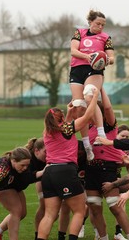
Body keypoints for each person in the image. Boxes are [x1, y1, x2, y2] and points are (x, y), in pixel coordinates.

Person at [36, 87, 99, 240]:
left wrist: (69, 112)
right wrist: (95, 96)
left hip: (49, 173)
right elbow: (88, 116)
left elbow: (65, 129)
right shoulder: (65, 128)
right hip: (65, 171)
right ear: (60, 119)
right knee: (80, 210)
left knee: (50, 214)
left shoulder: (47, 132)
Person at [84, 88, 129, 240]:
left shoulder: (110, 126)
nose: (89, 113)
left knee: (115, 207)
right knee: (94, 208)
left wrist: (100, 88)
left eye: (92, 110)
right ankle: (104, 238)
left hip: (107, 169)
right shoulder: (87, 126)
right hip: (91, 169)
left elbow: (107, 108)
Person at [69, 9, 115, 161]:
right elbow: (73, 51)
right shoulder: (79, 33)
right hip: (77, 70)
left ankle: (101, 134)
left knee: (90, 95)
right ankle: (87, 146)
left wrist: (105, 60)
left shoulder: (106, 37)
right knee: (79, 106)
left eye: (103, 24)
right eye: (97, 24)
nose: (100, 27)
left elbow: (112, 57)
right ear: (90, 22)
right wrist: (88, 56)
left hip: (94, 70)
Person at [0, 138, 47, 240]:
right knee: (16, 212)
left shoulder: (42, 159)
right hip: (6, 186)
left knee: (22, 213)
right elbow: (26, 177)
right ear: (36, 151)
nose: (48, 155)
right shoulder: (28, 159)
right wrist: (42, 172)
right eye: (45, 152)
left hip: (17, 187)